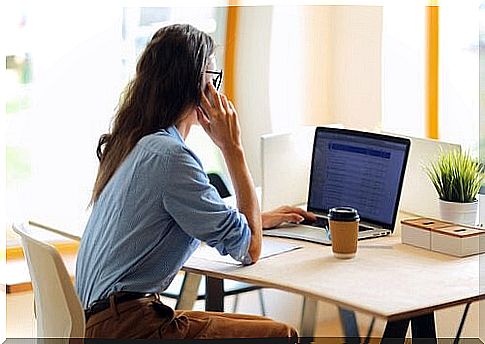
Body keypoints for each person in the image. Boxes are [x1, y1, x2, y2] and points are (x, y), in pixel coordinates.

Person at [75, 24, 315, 341]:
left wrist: (258, 219)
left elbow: (173, 220)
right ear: (198, 87)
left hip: (104, 323)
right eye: (213, 79)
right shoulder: (172, 156)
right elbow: (250, 249)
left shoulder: (134, 143)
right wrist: (233, 148)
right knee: (280, 335)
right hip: (131, 328)